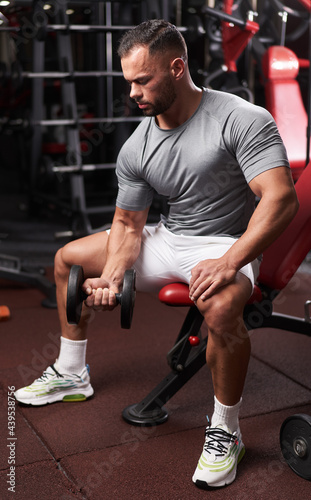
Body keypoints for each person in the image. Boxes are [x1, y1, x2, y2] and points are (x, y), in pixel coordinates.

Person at [15, 19, 299, 489]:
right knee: (69, 259)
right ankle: (71, 372)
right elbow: (128, 224)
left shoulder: (241, 118)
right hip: (170, 238)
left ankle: (226, 429)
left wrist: (230, 261)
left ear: (177, 67)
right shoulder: (138, 145)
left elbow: (279, 199)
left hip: (227, 242)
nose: (133, 94)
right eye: (128, 82)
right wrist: (111, 277)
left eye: (143, 81)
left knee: (222, 304)